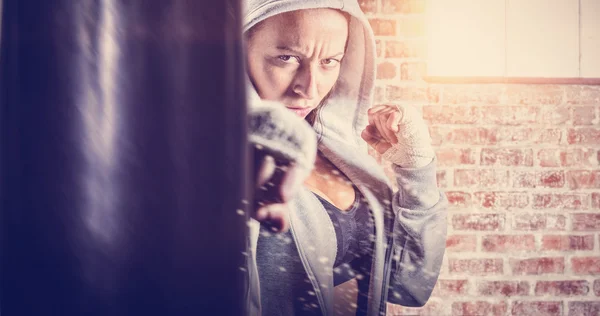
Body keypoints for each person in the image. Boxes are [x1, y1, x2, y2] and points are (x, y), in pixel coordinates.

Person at [244, 0, 448, 315]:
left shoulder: (341, 155)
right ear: (237, 54)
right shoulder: (220, 160)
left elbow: (409, 284)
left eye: (329, 60)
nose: (309, 87)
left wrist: (416, 167)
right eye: (286, 58)